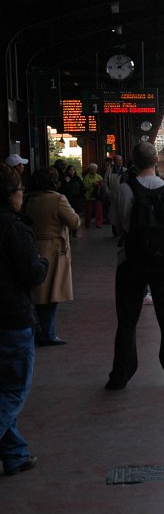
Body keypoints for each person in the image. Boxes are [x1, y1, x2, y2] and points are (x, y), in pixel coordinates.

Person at [105, 141, 164, 391]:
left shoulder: (124, 190)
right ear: (157, 161)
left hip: (130, 263)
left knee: (127, 321)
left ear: (133, 162)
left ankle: (119, 376)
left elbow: (118, 226)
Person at [0, 163, 49, 476]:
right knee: (14, 390)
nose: (22, 196)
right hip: (11, 319)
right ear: (10, 195)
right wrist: (42, 261)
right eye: (20, 191)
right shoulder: (13, 227)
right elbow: (31, 273)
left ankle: (15, 454)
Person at [22, 167, 80, 346]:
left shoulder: (28, 199)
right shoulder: (57, 199)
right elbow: (74, 222)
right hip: (54, 250)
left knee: (36, 294)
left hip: (32, 246)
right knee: (51, 294)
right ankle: (48, 333)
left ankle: (37, 331)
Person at [103, 154, 126, 236]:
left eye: (121, 160)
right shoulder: (109, 172)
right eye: (118, 160)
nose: (120, 161)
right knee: (113, 214)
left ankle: (122, 231)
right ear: (114, 161)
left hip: (123, 196)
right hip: (112, 196)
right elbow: (105, 183)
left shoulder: (125, 171)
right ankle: (115, 232)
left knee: (123, 213)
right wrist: (108, 193)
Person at [60, 165, 86, 236]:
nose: (72, 171)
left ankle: (74, 230)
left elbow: (83, 188)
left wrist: (80, 195)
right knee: (68, 215)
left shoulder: (77, 179)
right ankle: (69, 231)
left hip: (76, 200)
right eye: (70, 170)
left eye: (73, 170)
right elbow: (62, 190)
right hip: (68, 200)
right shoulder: (65, 179)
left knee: (75, 214)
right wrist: (66, 182)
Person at [82, 163, 105, 229]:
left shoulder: (99, 177)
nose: (94, 171)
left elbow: (103, 186)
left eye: (95, 169)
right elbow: (85, 187)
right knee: (88, 211)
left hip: (97, 196)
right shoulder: (86, 177)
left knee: (99, 211)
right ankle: (87, 224)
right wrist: (92, 184)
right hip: (89, 197)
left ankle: (99, 224)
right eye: (92, 169)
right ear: (90, 170)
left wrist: (99, 185)